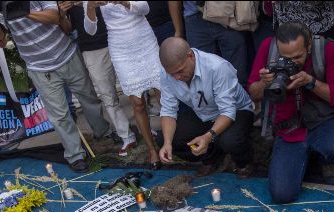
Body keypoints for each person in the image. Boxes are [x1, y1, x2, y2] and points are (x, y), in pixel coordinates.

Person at [0, 1, 112, 173]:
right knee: (59, 115)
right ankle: (75, 155)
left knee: (88, 97)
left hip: (66, 54)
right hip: (39, 68)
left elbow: (54, 16)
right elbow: (0, 41)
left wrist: (22, 12)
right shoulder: (0, 6)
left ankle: (104, 133)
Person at [248, 22, 334, 204]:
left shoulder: (328, 49)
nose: (291, 63)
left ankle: (324, 159)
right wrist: (265, 83)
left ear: (309, 45)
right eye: (285, 57)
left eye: (298, 57)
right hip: (288, 130)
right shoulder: (268, 47)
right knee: (281, 195)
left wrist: (311, 82)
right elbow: (253, 94)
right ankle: (302, 158)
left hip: (321, 123)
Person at [158, 37, 255, 177]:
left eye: (180, 71)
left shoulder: (217, 67)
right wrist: (167, 143)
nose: (177, 78)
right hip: (204, 113)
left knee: (229, 140)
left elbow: (228, 111)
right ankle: (212, 156)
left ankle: (244, 161)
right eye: (172, 74)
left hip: (237, 111)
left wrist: (208, 136)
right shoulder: (168, 72)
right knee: (165, 138)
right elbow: (168, 110)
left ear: (190, 56)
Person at [85, 1, 162, 167]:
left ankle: (173, 139)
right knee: (138, 103)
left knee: (163, 96)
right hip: (120, 50)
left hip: (145, 41)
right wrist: (90, 6)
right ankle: (152, 150)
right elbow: (90, 30)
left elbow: (145, 8)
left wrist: (123, 2)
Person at [59, 1, 137, 156]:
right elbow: (68, 29)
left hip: (119, 36)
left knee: (136, 87)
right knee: (108, 95)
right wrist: (61, 14)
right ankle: (127, 136)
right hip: (91, 48)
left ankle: (146, 128)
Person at [179, 1, 253, 86]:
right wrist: (178, 31)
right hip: (194, 14)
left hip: (228, 11)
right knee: (202, 75)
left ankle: (238, 98)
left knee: (238, 74)